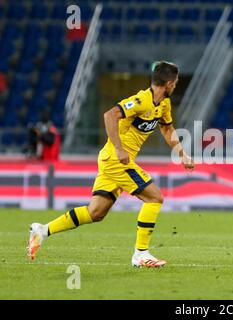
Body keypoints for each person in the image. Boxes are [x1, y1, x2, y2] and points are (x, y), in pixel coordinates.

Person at [27, 61, 194, 268]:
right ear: (169, 82)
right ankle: (141, 254)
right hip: (116, 159)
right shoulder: (141, 100)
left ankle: (42, 230)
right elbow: (109, 115)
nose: (176, 85)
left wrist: (182, 154)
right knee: (155, 198)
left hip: (113, 161)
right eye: (175, 82)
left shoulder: (164, 104)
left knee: (95, 213)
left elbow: (167, 129)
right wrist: (119, 148)